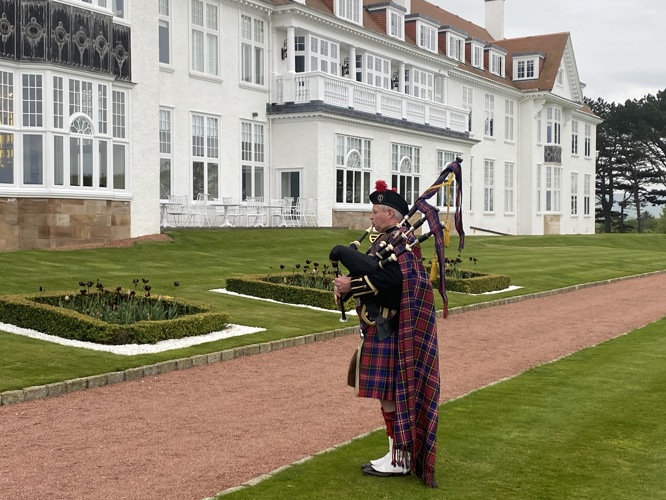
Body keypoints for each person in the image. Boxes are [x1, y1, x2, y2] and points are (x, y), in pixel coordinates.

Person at [333, 180, 440, 487]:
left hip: (391, 328)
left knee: (393, 395)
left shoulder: (401, 241)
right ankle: (395, 453)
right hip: (379, 327)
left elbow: (393, 284)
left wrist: (351, 284)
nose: (370, 216)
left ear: (390, 214)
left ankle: (400, 458)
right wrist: (348, 286)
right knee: (387, 396)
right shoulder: (387, 239)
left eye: (375, 210)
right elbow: (372, 273)